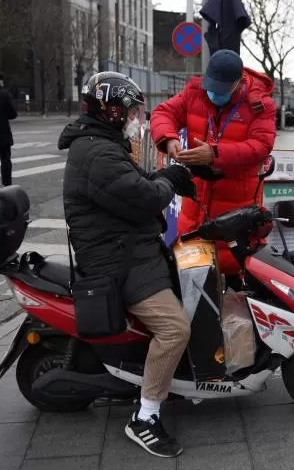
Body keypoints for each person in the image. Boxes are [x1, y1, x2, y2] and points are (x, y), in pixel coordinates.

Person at [59, 72, 195, 458]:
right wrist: (169, 180)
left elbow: (135, 183)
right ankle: (145, 416)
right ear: (113, 110)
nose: (138, 117)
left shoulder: (101, 143)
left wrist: (169, 176)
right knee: (175, 328)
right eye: (133, 110)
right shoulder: (98, 153)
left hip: (129, 247)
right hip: (118, 260)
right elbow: (143, 197)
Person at [150, 50, 276, 278]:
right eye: (212, 86)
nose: (214, 94)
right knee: (191, 275)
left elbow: (260, 146)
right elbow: (163, 112)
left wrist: (215, 154)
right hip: (196, 204)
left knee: (233, 277)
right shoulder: (195, 93)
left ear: (238, 83)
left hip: (236, 208)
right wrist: (169, 138)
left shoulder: (260, 105)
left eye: (221, 89)